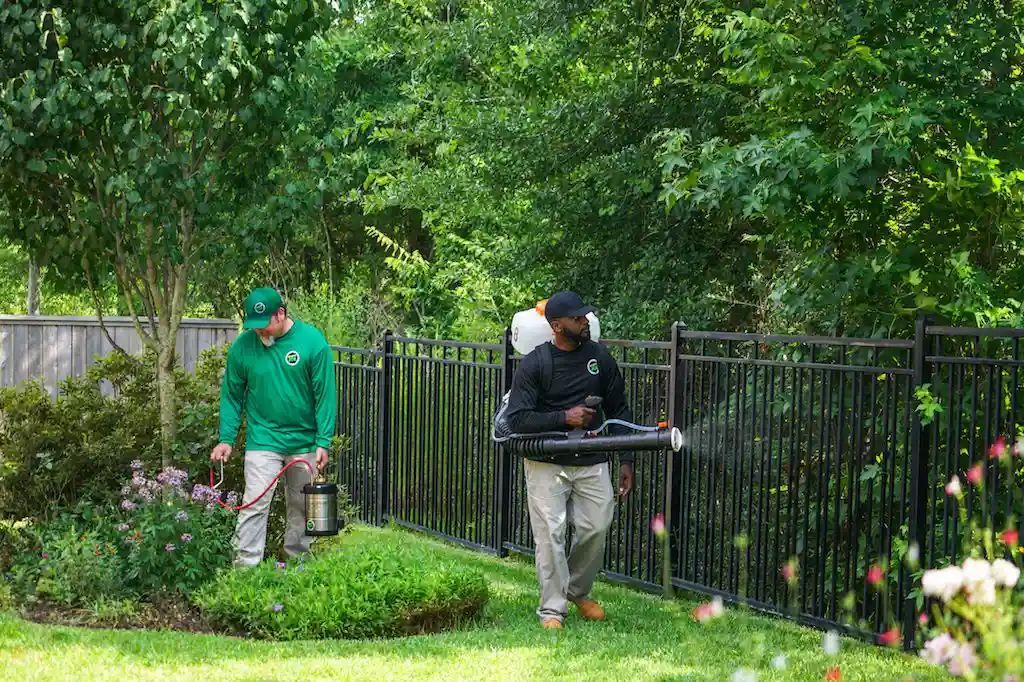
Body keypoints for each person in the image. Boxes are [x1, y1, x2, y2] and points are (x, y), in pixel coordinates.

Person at [504, 290, 636, 629]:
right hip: (547, 460)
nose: (585, 321)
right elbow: (517, 420)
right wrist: (565, 417)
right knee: (551, 534)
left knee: (597, 525)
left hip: (592, 458)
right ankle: (552, 610)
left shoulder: (600, 358)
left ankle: (577, 591)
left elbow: (619, 409)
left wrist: (626, 460)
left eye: (586, 316)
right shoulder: (535, 364)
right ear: (557, 325)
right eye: (578, 318)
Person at [211, 287, 337, 567]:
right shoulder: (244, 347)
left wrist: (323, 441)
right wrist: (226, 439)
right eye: (253, 326)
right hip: (263, 440)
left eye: (264, 324)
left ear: (281, 313)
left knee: (302, 508)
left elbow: (325, 395)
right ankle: (245, 570)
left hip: (304, 442)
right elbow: (232, 396)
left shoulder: (312, 342)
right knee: (254, 504)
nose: (259, 331)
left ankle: (297, 565)